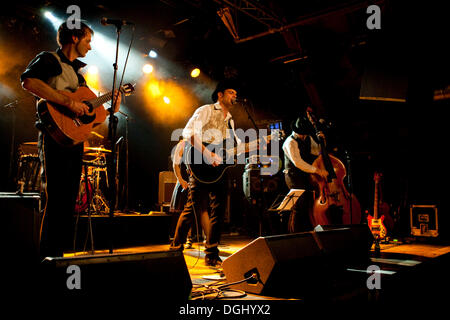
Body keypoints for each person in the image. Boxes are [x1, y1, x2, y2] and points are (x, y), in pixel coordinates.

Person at [20, 20, 121, 259]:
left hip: (73, 142)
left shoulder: (78, 76)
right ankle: (46, 258)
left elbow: (92, 117)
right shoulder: (49, 60)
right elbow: (29, 81)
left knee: (68, 203)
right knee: (55, 201)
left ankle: (59, 256)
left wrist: (111, 107)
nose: (90, 46)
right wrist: (67, 102)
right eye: (87, 40)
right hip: (53, 138)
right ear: (74, 38)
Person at [170, 79, 242, 267]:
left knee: (218, 209)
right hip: (200, 163)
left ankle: (211, 253)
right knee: (192, 207)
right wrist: (208, 154)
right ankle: (175, 247)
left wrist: (252, 147)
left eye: (235, 93)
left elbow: (228, 148)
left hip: (217, 169)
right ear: (220, 94)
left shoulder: (230, 120)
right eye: (231, 92)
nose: (235, 95)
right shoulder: (206, 110)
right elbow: (190, 133)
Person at [282, 112, 328, 233]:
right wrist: (318, 171)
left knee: (307, 204)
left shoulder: (307, 137)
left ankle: (305, 232)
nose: (303, 137)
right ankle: (294, 234)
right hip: (293, 176)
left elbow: (317, 151)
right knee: (298, 205)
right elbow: (298, 163)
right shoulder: (290, 142)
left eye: (305, 134)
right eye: (302, 134)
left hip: (304, 175)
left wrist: (323, 141)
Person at [170, 138, 203, 248]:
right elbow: (176, 165)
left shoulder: (199, 144)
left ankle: (208, 241)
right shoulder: (182, 144)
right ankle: (185, 239)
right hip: (184, 180)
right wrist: (180, 180)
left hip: (195, 180)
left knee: (200, 211)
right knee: (186, 211)